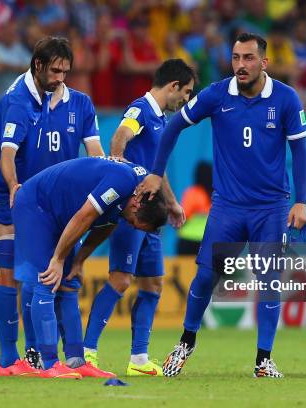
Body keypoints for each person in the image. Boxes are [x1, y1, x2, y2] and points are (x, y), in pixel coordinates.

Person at [136, 32, 306, 377]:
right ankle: (186, 341)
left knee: (269, 280)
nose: (240, 65)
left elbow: (300, 151)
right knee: (204, 277)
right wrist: (156, 173)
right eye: (235, 58)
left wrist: (300, 201)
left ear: (264, 62)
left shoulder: (287, 99)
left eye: (247, 58)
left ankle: (263, 359)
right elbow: (172, 129)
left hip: (271, 207)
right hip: (228, 207)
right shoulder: (216, 95)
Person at [0, 36, 105, 377]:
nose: (60, 78)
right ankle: (9, 361)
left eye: (66, 72)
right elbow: (6, 154)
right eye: (55, 70)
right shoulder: (18, 101)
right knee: (12, 267)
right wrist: (12, 187)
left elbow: (95, 153)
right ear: (38, 65)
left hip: (42, 198)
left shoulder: (79, 104)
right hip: (2, 188)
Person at [83, 59, 195, 376]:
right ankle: (87, 352)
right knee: (120, 280)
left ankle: (139, 359)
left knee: (154, 284)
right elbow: (120, 135)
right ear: (173, 86)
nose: (185, 100)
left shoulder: (161, 121)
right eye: (185, 92)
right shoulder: (141, 109)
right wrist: (118, 164)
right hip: (133, 213)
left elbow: (156, 172)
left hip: (152, 215)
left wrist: (172, 203)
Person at [13, 156, 168, 378]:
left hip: (59, 214)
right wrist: (58, 259)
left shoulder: (137, 192)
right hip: (36, 206)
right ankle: (49, 363)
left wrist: (79, 260)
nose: (132, 226)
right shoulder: (123, 181)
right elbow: (85, 216)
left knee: (68, 283)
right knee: (47, 279)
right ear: (136, 203)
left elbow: (105, 225)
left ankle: (77, 361)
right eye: (134, 222)